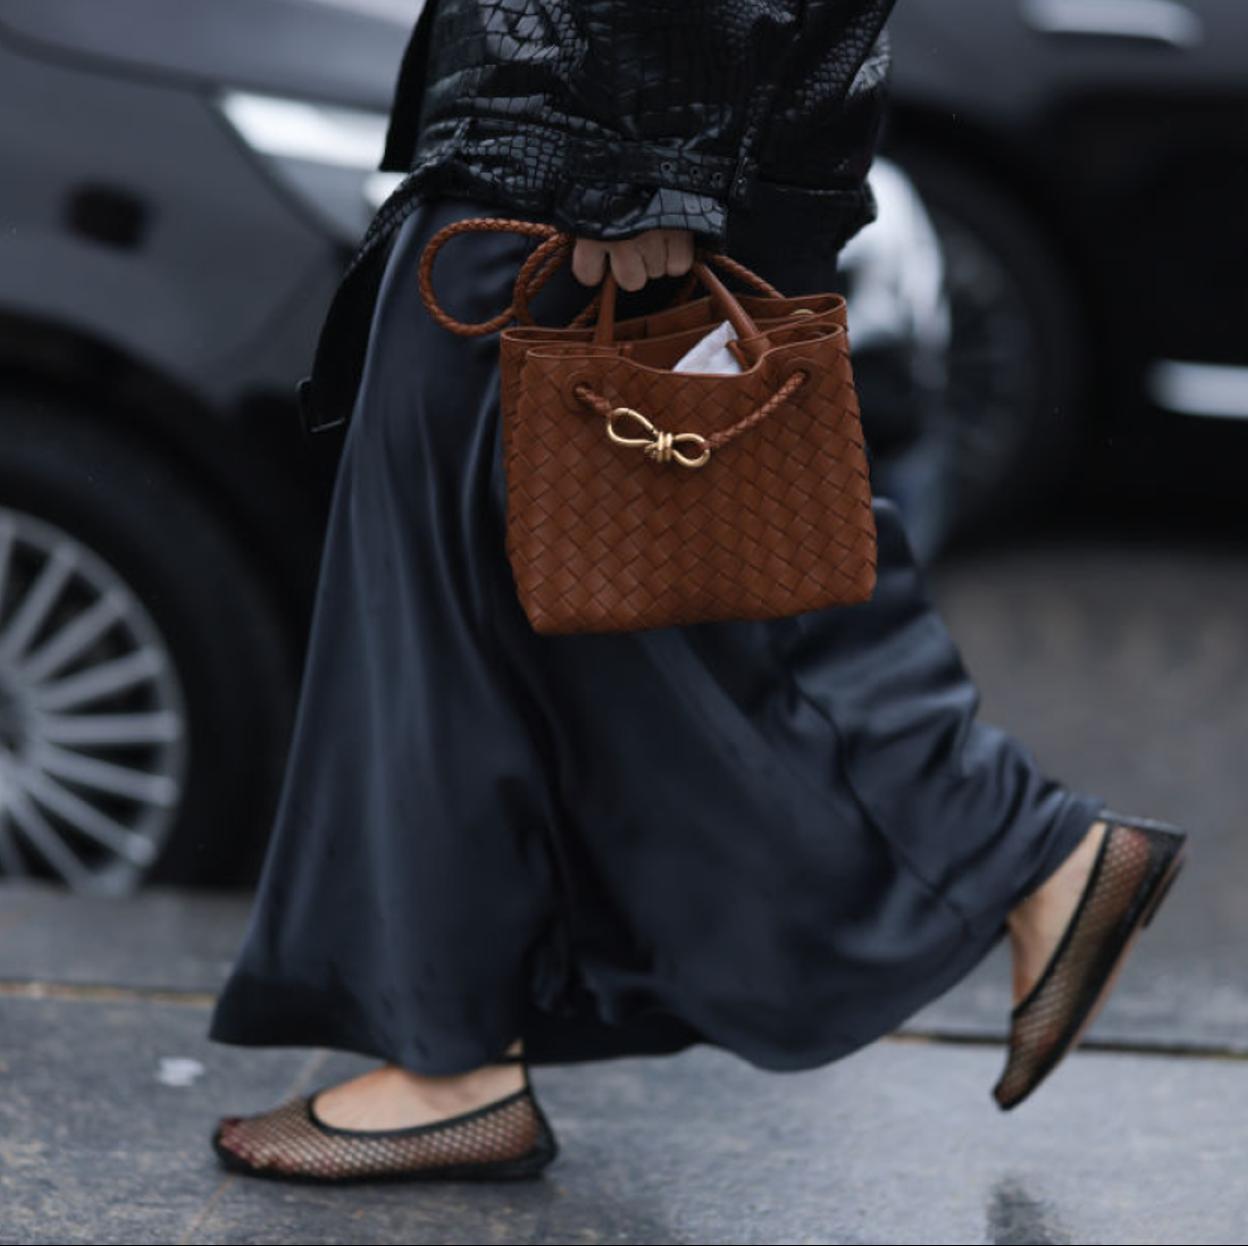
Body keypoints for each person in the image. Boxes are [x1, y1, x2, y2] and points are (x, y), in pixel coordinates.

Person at [206, 0, 1189, 1184]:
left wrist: (649, 158)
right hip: (595, 129)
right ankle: (449, 1053)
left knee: (611, 588)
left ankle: (452, 1065)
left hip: (590, 142)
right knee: (579, 592)